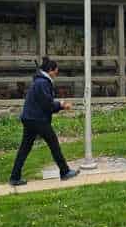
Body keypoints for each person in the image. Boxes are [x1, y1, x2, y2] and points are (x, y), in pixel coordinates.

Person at [9, 58, 79, 186]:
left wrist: (58, 105)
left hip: (30, 118)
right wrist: (62, 105)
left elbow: (45, 103)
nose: (56, 74)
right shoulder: (42, 83)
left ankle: (15, 177)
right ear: (50, 70)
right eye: (56, 72)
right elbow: (47, 105)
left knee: (25, 148)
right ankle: (65, 171)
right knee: (53, 144)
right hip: (38, 119)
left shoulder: (40, 81)